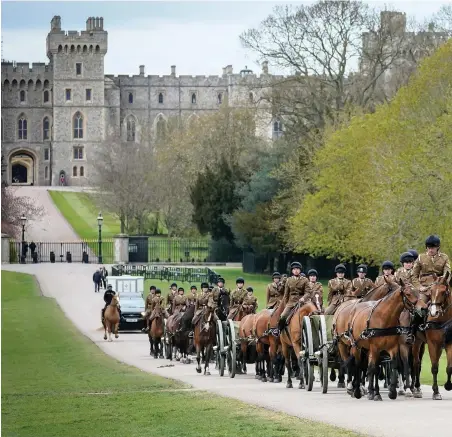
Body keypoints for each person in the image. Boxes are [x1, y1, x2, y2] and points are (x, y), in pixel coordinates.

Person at [278, 262, 309, 330]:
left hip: (302, 302)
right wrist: (286, 305)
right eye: (294, 269)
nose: (296, 270)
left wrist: (303, 298)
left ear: (300, 270)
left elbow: (308, 292)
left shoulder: (305, 280)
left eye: (297, 269)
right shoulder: (289, 280)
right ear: (292, 270)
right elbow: (286, 295)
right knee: (283, 316)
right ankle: (279, 331)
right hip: (291, 303)